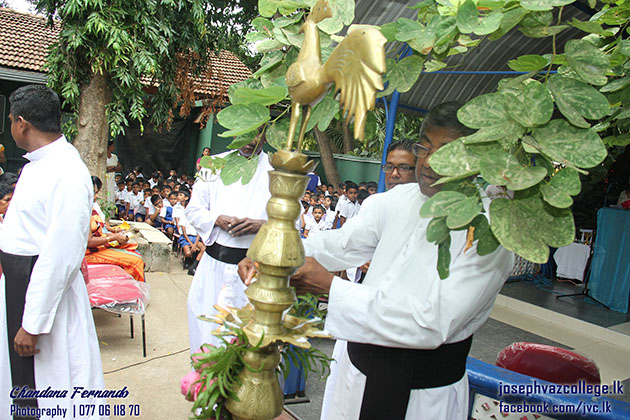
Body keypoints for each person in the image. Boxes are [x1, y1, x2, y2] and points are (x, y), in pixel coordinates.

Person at [240, 102, 514, 420]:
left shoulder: (490, 231)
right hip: (356, 374)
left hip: (421, 396)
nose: (429, 163)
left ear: (479, 157)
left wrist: (332, 287)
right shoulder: (399, 200)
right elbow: (340, 244)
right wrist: (274, 258)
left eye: (448, 151)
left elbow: (431, 322)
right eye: (425, 148)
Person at [0, 85, 107, 419]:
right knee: (20, 389)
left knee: (48, 392)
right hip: (19, 287)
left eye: (10, 121)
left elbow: (60, 255)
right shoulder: (36, 166)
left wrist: (32, 324)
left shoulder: (68, 173)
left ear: (22, 123)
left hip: (41, 301)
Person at [185, 130, 272, 351]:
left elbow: (292, 224)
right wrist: (217, 219)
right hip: (213, 269)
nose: (250, 141)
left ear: (266, 136)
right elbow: (193, 210)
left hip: (255, 272)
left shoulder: (276, 171)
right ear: (234, 133)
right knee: (209, 338)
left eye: (257, 135)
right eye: (245, 134)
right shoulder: (214, 164)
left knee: (249, 346)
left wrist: (260, 225)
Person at [85, 177, 145, 283]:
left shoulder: (90, 208)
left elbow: (101, 225)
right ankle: (134, 293)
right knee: (136, 262)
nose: (97, 196)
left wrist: (114, 234)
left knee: (133, 247)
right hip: (89, 253)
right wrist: (113, 237)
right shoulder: (83, 212)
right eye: (94, 193)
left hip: (98, 245)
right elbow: (89, 242)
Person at [105, 140, 122, 204]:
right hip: (106, 178)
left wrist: (112, 168)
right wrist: (109, 169)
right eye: (112, 146)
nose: (114, 148)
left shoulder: (114, 157)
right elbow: (105, 169)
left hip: (112, 178)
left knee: (111, 193)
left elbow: (119, 167)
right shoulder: (104, 157)